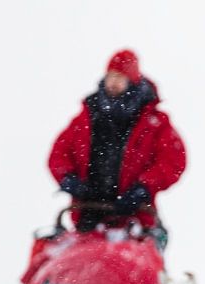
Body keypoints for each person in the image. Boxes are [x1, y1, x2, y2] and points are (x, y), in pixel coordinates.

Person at [48, 50, 186, 231]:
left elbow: (173, 161)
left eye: (120, 77)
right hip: (87, 217)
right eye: (111, 76)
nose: (113, 83)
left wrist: (143, 188)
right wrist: (69, 179)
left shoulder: (153, 123)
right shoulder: (87, 117)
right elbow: (59, 154)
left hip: (135, 219)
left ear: (133, 81)